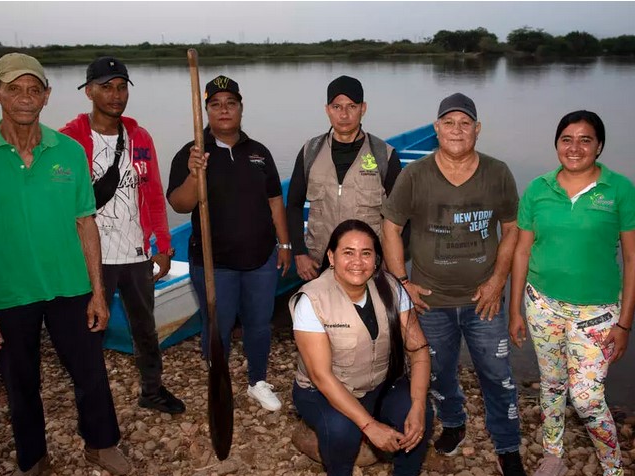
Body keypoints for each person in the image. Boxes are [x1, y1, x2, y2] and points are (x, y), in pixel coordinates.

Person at [0, 53, 130, 476]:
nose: (25, 99)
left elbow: (86, 223)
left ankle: (101, 444)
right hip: (11, 293)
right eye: (13, 89)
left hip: (71, 286)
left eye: (34, 90)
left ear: (47, 96)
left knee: (90, 372)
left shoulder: (67, 150)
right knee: (20, 382)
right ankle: (33, 459)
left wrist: (99, 292)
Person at [381, 93, 527, 476]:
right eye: (449, 123)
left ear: (477, 130)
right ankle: (454, 422)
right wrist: (402, 283)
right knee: (438, 371)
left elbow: (512, 229)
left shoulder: (497, 173)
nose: (457, 130)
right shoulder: (416, 175)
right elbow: (391, 227)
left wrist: (498, 281)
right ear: (436, 129)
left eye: (465, 123)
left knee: (498, 375)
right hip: (431, 301)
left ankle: (508, 447)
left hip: (485, 300)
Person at [508, 110, 635, 476]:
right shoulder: (538, 189)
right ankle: (554, 454)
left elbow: (633, 259)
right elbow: (522, 250)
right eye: (567, 138)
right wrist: (515, 309)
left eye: (585, 139)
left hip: (598, 313)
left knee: (586, 397)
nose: (575, 147)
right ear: (556, 144)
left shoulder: (620, 191)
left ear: (599, 146)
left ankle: (613, 471)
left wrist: (626, 324)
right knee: (551, 384)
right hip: (542, 304)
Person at [59, 56, 186, 415]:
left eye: (121, 87)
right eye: (106, 87)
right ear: (88, 91)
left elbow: (154, 193)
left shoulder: (140, 137)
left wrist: (163, 245)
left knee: (145, 330)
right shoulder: (69, 140)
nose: (115, 95)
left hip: (136, 253)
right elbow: (58, 201)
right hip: (92, 257)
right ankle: (93, 406)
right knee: (89, 335)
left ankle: (152, 390)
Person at [167, 75, 291, 412]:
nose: (224, 110)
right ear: (206, 110)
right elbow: (179, 204)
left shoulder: (258, 153)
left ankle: (258, 381)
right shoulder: (192, 154)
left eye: (230, 103)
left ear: (240, 108)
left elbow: (275, 201)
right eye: (216, 104)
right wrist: (195, 176)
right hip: (214, 262)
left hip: (260, 260)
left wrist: (284, 245)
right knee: (217, 324)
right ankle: (216, 376)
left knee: (259, 322)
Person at [290, 219, 433, 476]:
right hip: (321, 392)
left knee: (417, 417)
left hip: (378, 383)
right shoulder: (312, 300)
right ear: (331, 256)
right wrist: (370, 426)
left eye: (366, 253)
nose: (358, 261)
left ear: (376, 259)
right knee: (342, 430)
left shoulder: (392, 288)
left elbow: (419, 350)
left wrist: (418, 404)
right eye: (348, 252)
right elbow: (322, 377)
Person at [286, 75, 403, 280]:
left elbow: (400, 217)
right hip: (320, 264)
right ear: (327, 109)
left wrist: (389, 262)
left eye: (352, 106)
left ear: (363, 108)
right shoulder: (310, 152)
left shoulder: (384, 155)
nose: (344, 114)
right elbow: (294, 205)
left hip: (368, 266)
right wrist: (299, 253)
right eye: (337, 107)